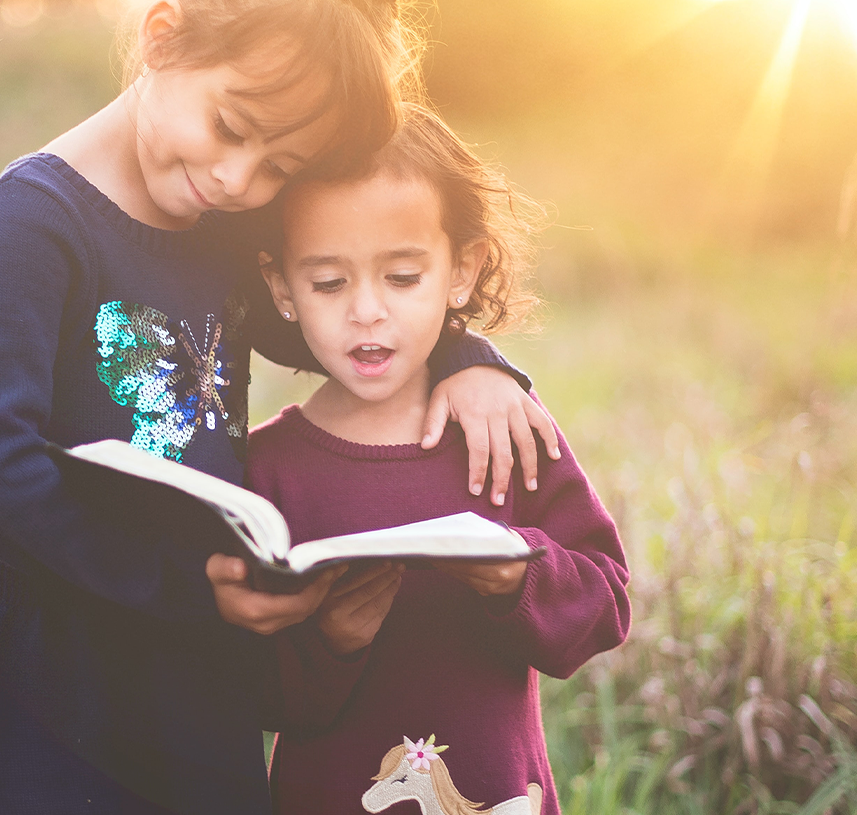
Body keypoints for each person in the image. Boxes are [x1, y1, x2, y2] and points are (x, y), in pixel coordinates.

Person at [0, 0, 559, 811]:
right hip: (53, 658)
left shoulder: (218, 225)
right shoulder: (34, 224)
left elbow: (336, 331)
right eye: (232, 127)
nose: (238, 180)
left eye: (280, 166)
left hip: (198, 651)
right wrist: (189, 590)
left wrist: (469, 357)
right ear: (161, 37)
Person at [249, 104, 631, 815]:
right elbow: (247, 692)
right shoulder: (267, 470)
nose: (366, 311)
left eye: (401, 277)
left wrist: (518, 573)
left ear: (462, 270)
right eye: (328, 283)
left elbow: (605, 606)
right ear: (281, 288)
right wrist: (327, 642)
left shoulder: (504, 430)